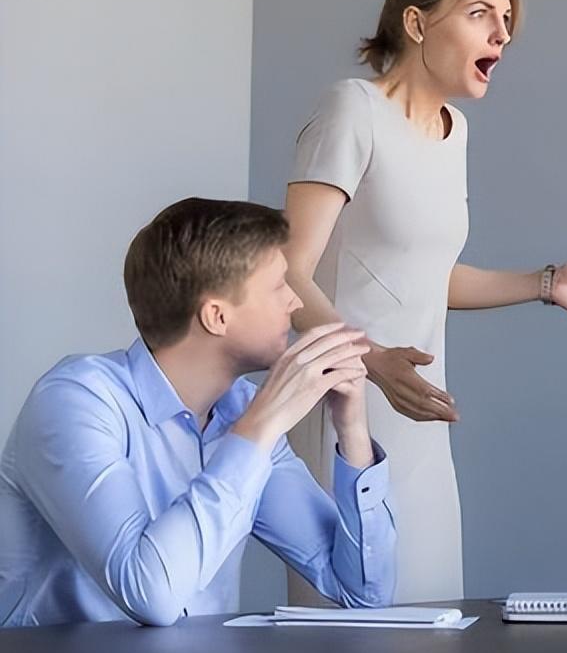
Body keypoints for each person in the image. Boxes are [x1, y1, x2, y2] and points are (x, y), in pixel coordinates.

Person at [283, 0, 567, 603]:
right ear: (416, 21)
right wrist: (369, 360)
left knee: (430, 619)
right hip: (347, 409)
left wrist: (547, 284)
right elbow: (285, 270)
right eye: (482, 13)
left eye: (507, 21)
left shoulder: (455, 131)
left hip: (421, 419)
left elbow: (424, 276)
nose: (502, 34)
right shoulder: (351, 110)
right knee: (353, 629)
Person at [0, 198, 394, 627]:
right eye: (279, 286)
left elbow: (362, 592)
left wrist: (351, 427)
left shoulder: (243, 413)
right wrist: (259, 430)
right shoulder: (76, 400)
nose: (296, 303)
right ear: (217, 316)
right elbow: (151, 595)